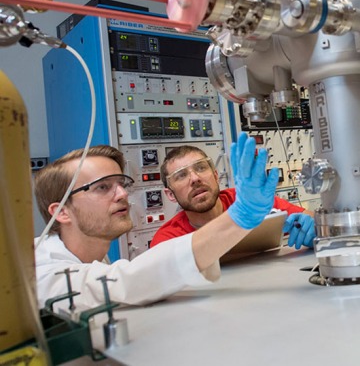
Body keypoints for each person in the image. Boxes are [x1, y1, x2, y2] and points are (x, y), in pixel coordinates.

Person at [34, 132, 279, 311]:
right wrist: (241, 216)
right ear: (61, 213)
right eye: (102, 187)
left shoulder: (90, 258)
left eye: (121, 184)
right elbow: (126, 282)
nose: (122, 194)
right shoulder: (40, 272)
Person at [150, 143, 316, 251]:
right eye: (181, 176)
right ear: (170, 195)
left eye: (200, 168)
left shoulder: (247, 200)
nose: (195, 179)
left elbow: (312, 220)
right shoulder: (167, 240)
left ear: (216, 176)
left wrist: (314, 228)